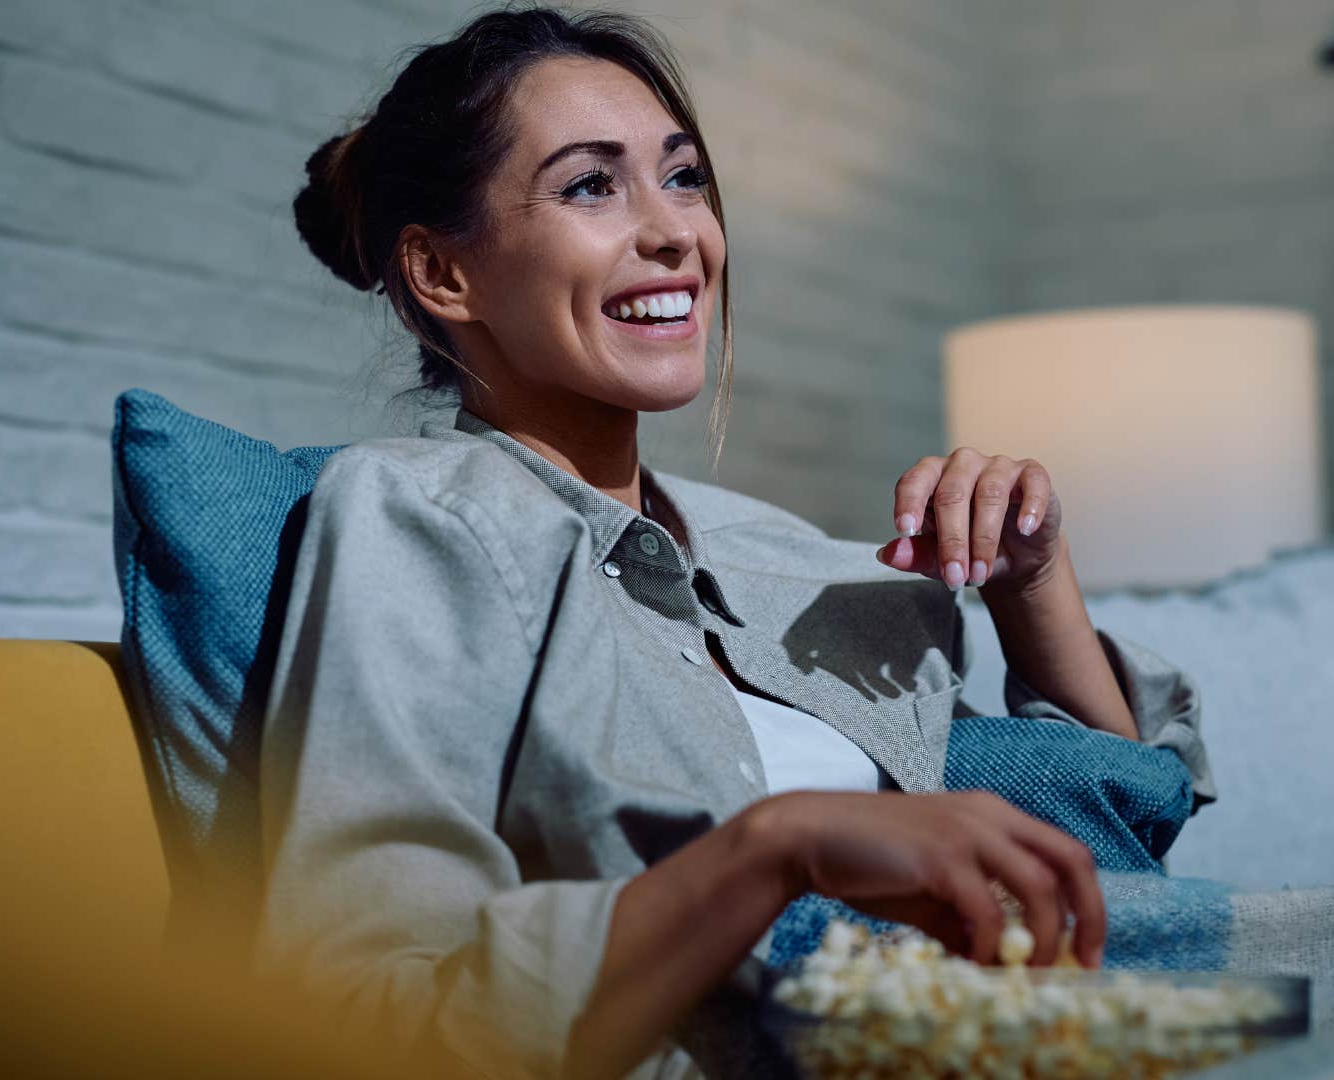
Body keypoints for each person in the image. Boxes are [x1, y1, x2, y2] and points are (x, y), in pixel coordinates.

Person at [257, 6, 1215, 1078]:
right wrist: (775, 848)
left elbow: (1125, 835)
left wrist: (1034, 588)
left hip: (1047, 1013)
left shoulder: (788, 557)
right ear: (442, 275)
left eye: (684, 177)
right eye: (589, 185)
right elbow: (358, 1013)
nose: (676, 233)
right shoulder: (412, 516)